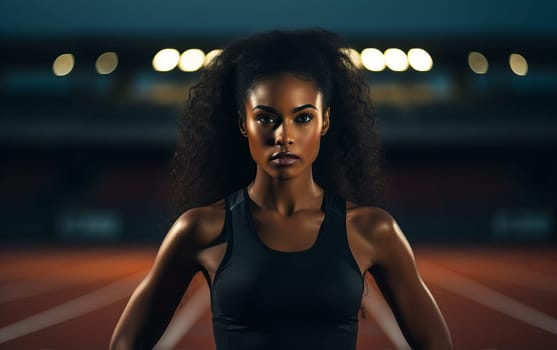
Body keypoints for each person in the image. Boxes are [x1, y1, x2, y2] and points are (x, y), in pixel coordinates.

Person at [110, 28, 452, 350]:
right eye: (266, 118)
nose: (283, 136)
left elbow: (436, 344)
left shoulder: (372, 230)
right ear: (243, 122)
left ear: (325, 121)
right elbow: (125, 343)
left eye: (302, 117)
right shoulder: (201, 228)